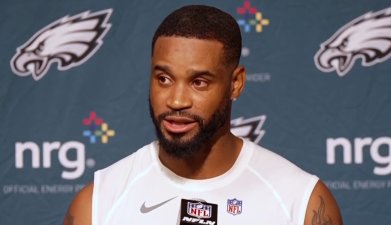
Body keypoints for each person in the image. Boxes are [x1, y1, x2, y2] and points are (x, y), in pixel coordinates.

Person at [63, 5, 343, 225]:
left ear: (236, 83)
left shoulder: (302, 203)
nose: (176, 100)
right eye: (163, 78)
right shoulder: (97, 204)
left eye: (199, 82)